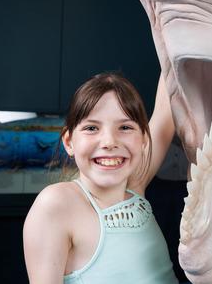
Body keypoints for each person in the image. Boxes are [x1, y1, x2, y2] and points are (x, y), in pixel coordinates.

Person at [23, 71, 179, 284]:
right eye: (91, 128)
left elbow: (165, 110)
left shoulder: (134, 185)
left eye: (125, 127)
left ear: (143, 139)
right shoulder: (56, 204)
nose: (109, 141)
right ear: (69, 142)